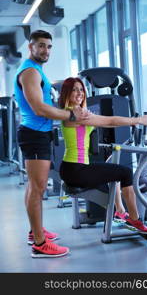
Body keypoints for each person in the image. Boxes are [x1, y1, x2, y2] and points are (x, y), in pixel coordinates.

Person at [14, 30, 90, 258]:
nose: (45, 50)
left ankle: (34, 232)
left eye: (48, 46)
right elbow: (38, 108)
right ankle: (39, 243)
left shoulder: (36, 71)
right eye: (41, 46)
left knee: (33, 186)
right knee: (38, 189)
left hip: (38, 133)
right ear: (31, 47)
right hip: (35, 134)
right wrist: (70, 116)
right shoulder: (29, 72)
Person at [58, 77, 147, 234]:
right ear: (67, 93)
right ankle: (135, 220)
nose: (79, 93)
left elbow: (111, 122)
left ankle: (120, 211)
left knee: (112, 170)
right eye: (74, 89)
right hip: (75, 170)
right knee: (125, 172)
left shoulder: (75, 112)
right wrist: (138, 120)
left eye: (81, 89)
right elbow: (109, 121)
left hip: (74, 168)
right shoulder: (74, 114)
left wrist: (131, 123)